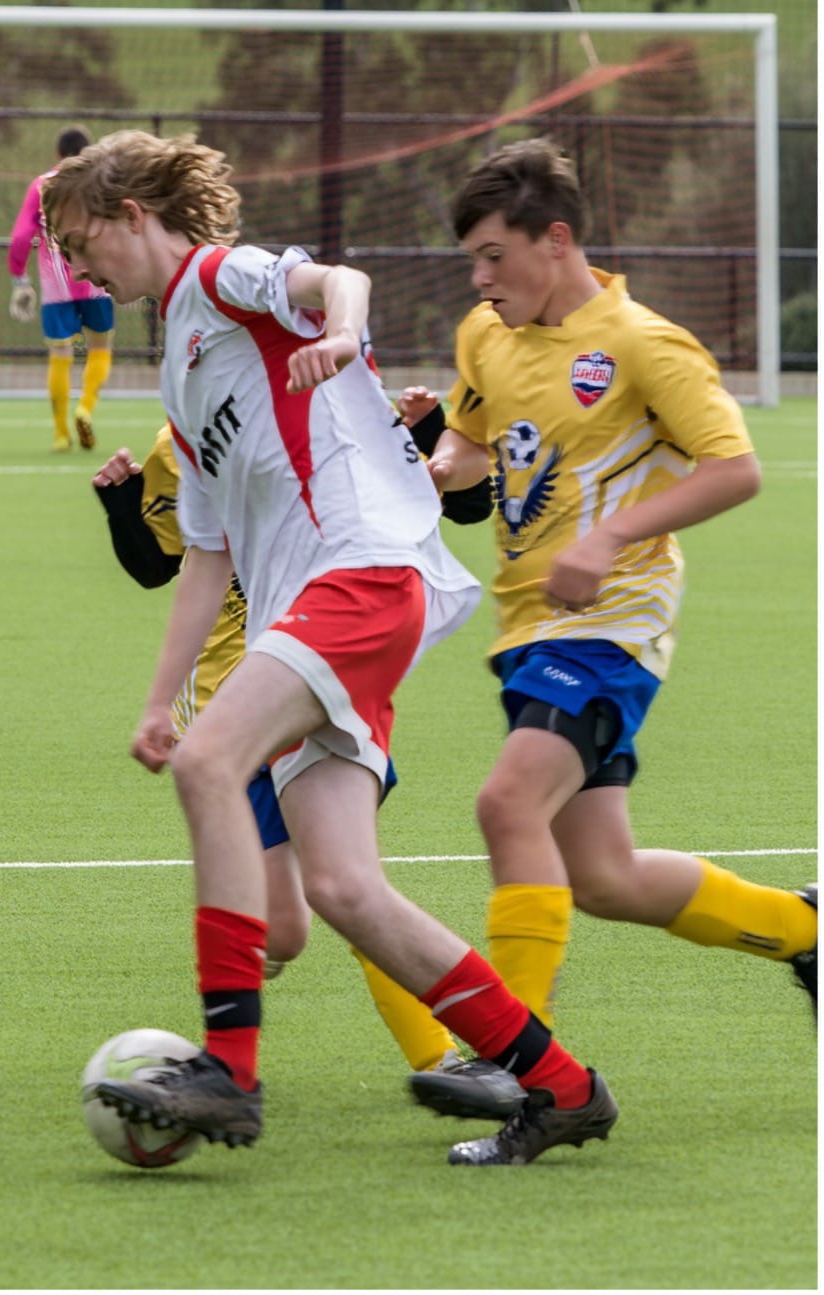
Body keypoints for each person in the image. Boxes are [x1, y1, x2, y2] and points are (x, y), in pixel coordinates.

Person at [42, 128, 618, 1167]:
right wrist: (158, 699)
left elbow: (332, 279)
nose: (78, 267)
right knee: (345, 889)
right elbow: (207, 555)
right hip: (314, 605)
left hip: (357, 574)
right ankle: (563, 1086)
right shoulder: (179, 362)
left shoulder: (222, 277)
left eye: (84, 240)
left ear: (134, 213)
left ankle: (231, 1069)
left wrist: (344, 334)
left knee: (218, 767)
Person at [412, 137, 817, 1163]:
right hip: (528, 621)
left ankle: (519, 1064)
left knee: (507, 803)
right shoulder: (484, 335)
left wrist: (609, 535)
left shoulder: (643, 343)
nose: (480, 278)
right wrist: (427, 449)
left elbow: (733, 469)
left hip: (611, 621)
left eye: (495, 256)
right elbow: (467, 459)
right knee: (601, 874)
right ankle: (807, 930)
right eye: (472, 260)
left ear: (557, 242)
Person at [92, 404, 492, 1072]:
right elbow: (159, 564)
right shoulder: (185, 437)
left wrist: (429, 431)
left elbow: (463, 503)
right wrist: (121, 506)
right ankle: (254, 940)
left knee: (350, 885)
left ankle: (443, 1060)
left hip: (323, 684)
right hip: (231, 704)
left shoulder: (340, 410)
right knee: (288, 925)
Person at [8, 125, 115, 453]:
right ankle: (85, 407)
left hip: (56, 287)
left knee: (59, 354)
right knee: (100, 347)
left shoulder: (41, 186)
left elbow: (21, 237)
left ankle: (60, 434)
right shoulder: (100, 183)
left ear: (57, 154)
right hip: (96, 280)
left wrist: (19, 279)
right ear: (89, 151)